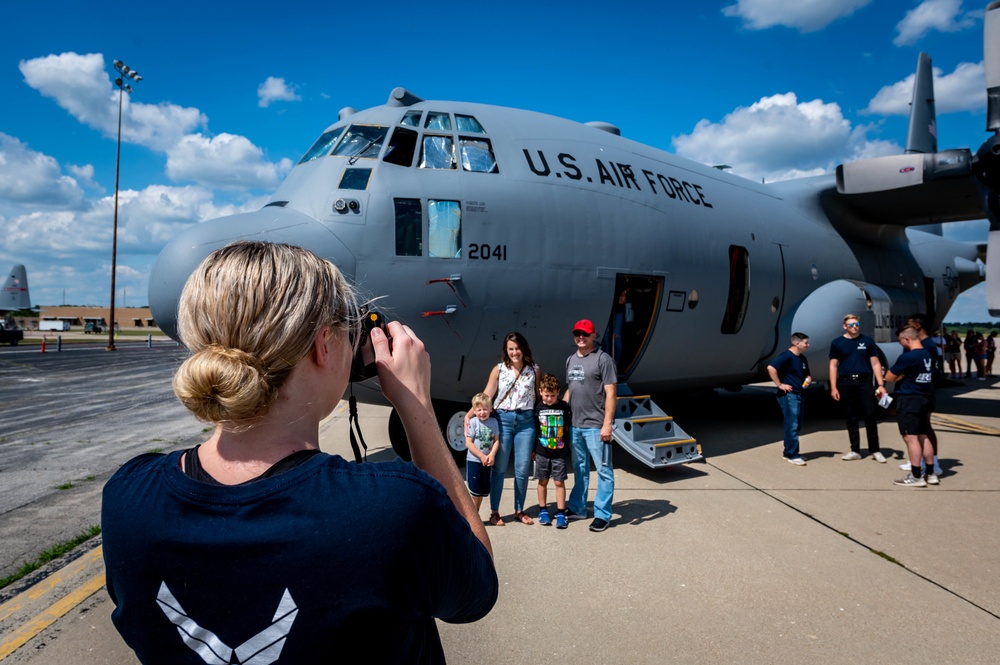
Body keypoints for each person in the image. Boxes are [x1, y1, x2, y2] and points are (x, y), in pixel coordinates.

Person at [102, 241, 497, 663]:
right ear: (323, 344)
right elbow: (475, 591)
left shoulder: (128, 499)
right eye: (348, 333)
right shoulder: (392, 509)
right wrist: (416, 406)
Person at [471, 332, 541, 526]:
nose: (514, 352)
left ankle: (519, 510)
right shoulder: (499, 369)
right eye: (510, 349)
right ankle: (495, 512)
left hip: (526, 422)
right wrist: (469, 415)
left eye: (517, 348)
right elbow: (487, 393)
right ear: (506, 350)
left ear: (523, 348)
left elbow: (537, 398)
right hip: (503, 419)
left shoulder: (534, 369)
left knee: (522, 468)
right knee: (500, 469)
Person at [564, 319, 617, 532]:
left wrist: (607, 424)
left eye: (585, 334)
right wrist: (560, 413)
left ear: (594, 335)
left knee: (604, 470)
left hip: (596, 426)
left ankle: (603, 514)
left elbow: (611, 393)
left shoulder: (603, 360)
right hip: (575, 425)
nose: (581, 337)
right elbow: (570, 389)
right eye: (578, 333)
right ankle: (577, 507)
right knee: (579, 468)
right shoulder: (570, 360)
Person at [828, 314, 887, 462]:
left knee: (870, 415)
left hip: (864, 382)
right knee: (851, 417)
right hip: (846, 382)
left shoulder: (867, 341)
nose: (854, 327)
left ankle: (875, 449)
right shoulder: (837, 343)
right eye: (851, 324)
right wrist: (834, 387)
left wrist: (880, 384)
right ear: (844, 326)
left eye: (857, 324)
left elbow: (875, 363)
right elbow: (833, 366)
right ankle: (855, 450)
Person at [885, 326, 937, 487]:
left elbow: (889, 377)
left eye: (900, 340)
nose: (900, 344)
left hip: (909, 399)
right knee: (924, 436)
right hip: (924, 397)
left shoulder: (908, 357)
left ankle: (916, 476)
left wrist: (897, 376)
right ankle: (931, 472)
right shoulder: (926, 354)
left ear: (907, 339)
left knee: (911, 437)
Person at [902, 314, 942, 475]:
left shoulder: (926, 346)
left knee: (925, 427)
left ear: (917, 327)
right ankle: (918, 460)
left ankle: (934, 462)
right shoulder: (925, 344)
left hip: (922, 392)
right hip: (918, 391)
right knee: (917, 429)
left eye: (909, 325)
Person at [533, 373, 572, 529]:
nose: (549, 398)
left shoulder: (564, 407)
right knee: (543, 481)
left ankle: (561, 513)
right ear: (541, 391)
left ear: (558, 393)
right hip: (542, 451)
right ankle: (543, 510)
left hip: (559, 452)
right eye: (546, 395)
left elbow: (567, 427)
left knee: (559, 482)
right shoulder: (538, 407)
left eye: (553, 395)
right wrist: (533, 450)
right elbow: (536, 429)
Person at [767, 332, 811, 466]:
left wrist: (808, 379)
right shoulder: (786, 356)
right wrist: (780, 385)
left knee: (796, 424)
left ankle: (789, 452)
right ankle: (793, 455)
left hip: (799, 393)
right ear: (797, 344)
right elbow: (771, 367)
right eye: (806, 343)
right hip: (789, 396)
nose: (808, 345)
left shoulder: (802, 358)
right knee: (792, 425)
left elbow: (806, 373)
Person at [466, 392, 500, 515]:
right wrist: (481, 456)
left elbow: (496, 441)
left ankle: (476, 513)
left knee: (481, 492)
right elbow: (468, 443)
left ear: (490, 409)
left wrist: (491, 455)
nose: (482, 412)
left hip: (487, 461)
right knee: (474, 492)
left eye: (485, 409)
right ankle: (471, 517)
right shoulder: (474, 422)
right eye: (479, 410)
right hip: (474, 461)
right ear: (474, 411)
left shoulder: (494, 423)